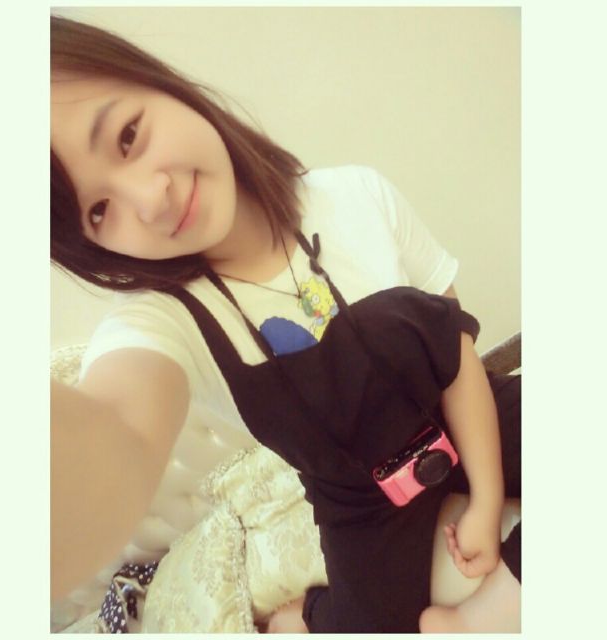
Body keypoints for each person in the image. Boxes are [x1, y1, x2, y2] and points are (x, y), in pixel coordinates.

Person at [50, 15, 521, 633]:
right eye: (98, 210)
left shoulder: (358, 196)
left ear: (160, 84)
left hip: (466, 418)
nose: (149, 199)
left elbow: (455, 359)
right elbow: (118, 434)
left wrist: (487, 499)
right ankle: (305, 616)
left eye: (128, 135)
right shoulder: (163, 320)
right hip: (364, 506)